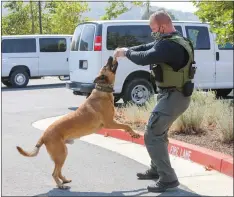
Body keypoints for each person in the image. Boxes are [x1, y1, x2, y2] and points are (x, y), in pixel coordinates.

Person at [114, 10, 196, 193]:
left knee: (152, 133)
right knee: (159, 132)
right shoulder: (172, 40)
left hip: (175, 97)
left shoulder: (169, 46)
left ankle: (168, 178)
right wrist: (125, 51)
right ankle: (156, 169)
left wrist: (126, 53)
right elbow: (146, 48)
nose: (153, 33)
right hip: (172, 96)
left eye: (154, 29)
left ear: (163, 26)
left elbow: (146, 57)